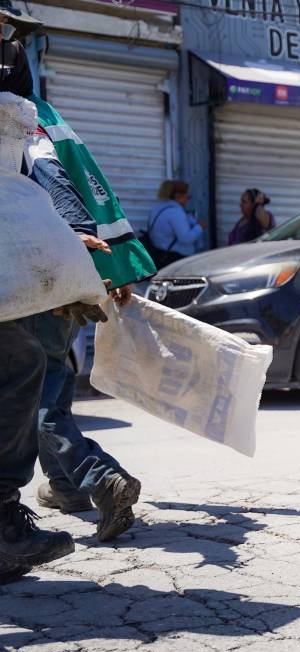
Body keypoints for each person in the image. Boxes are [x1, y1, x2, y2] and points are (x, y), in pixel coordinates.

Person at [1, 37, 145, 543]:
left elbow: (55, 182)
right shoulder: (38, 115)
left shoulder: (18, 120)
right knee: (48, 389)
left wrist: (76, 242)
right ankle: (65, 487)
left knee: (35, 396)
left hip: (32, 281)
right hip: (57, 276)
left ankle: (97, 477)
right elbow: (82, 184)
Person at [147, 179, 204, 265]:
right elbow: (186, 238)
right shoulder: (175, 212)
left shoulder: (155, 209)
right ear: (178, 196)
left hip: (159, 255)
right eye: (188, 196)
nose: (188, 200)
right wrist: (199, 227)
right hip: (176, 259)